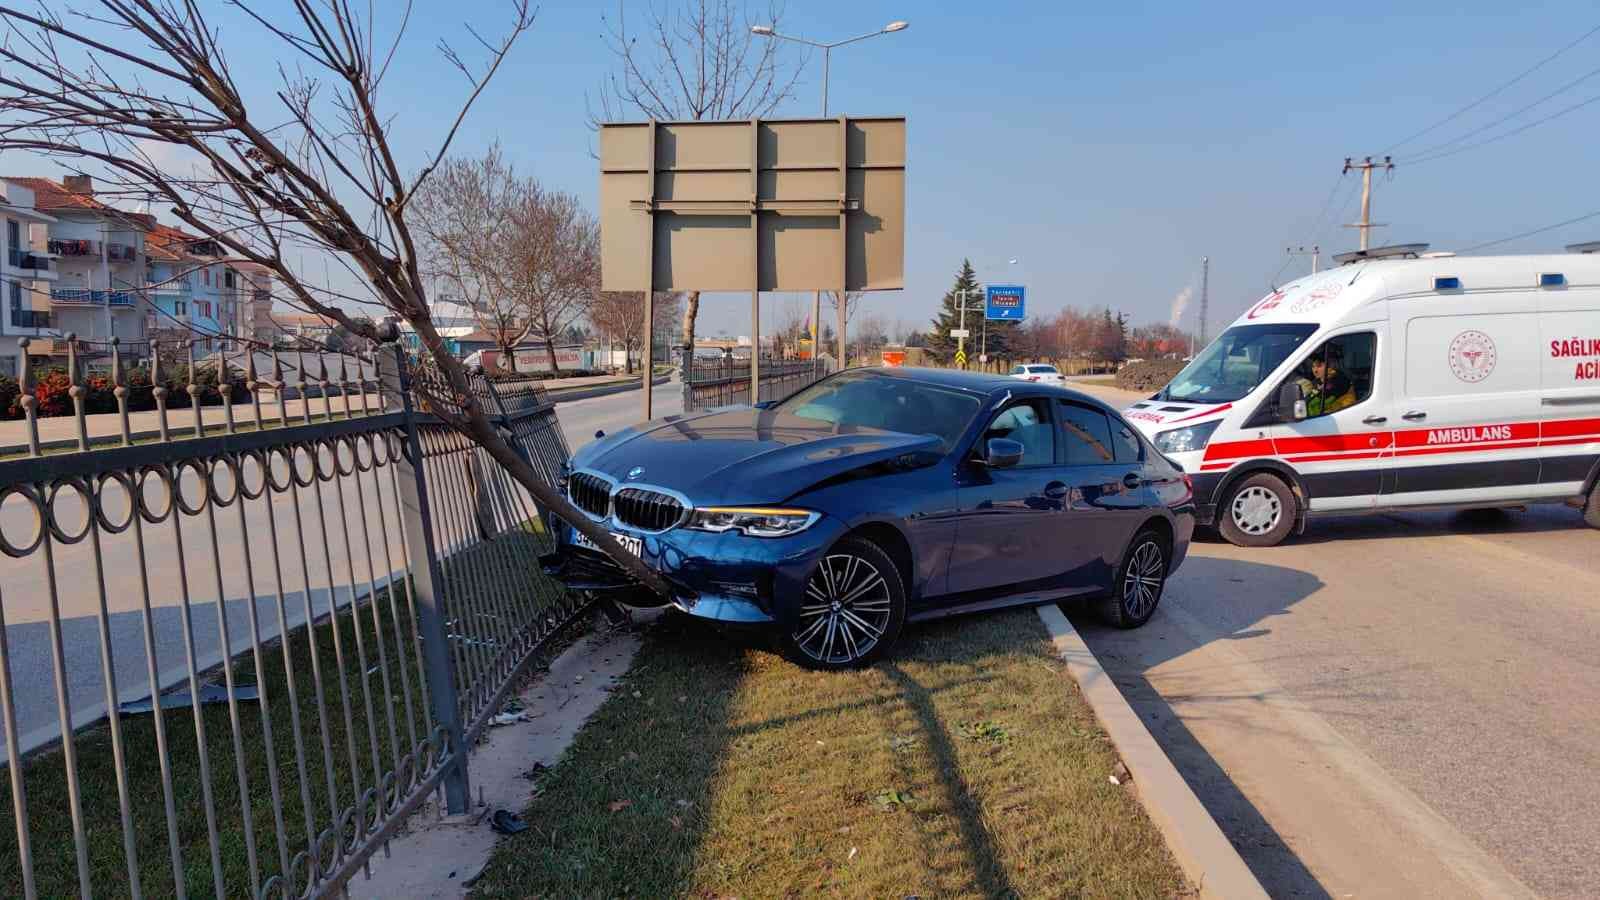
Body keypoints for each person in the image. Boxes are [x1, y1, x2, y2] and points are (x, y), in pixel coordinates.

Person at [1298, 351, 1356, 416]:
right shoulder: (1317, 382)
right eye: (1313, 367)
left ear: (1330, 366)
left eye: (1319, 366)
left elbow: (1317, 406)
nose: (1315, 370)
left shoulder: (1338, 383)